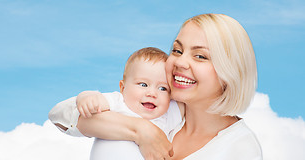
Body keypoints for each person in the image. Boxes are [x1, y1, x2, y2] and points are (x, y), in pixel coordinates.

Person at [51, 13, 263, 159]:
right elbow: (62, 116)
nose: (180, 62)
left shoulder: (240, 148)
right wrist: (141, 130)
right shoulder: (157, 108)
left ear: (230, 72)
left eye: (200, 56)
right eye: (177, 51)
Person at [49, 47, 184, 160]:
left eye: (163, 88)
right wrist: (85, 97)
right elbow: (65, 110)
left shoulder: (166, 116)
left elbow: (194, 103)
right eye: (143, 84)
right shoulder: (118, 102)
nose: (152, 93)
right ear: (123, 88)